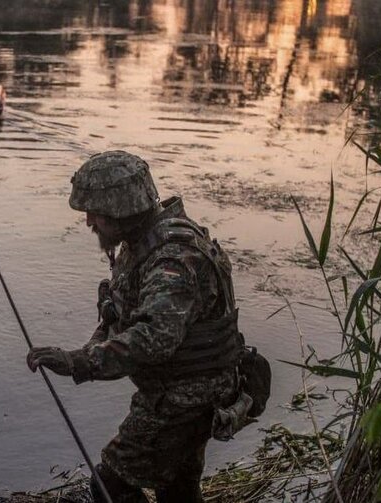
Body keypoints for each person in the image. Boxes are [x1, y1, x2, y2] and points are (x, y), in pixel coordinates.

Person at [27, 151, 243, 503]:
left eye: (94, 213)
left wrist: (78, 363)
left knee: (111, 485)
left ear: (120, 209)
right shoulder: (143, 244)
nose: (88, 223)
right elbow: (122, 322)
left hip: (186, 398)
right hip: (186, 389)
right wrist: (81, 354)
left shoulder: (172, 259)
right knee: (176, 490)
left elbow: (152, 341)